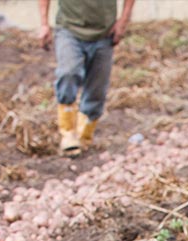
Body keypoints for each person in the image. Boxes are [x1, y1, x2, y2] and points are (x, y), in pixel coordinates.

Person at [38, 0, 135, 156]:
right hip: (69, 30)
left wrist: (123, 21)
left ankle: (84, 136)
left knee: (97, 89)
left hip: (104, 34)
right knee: (68, 73)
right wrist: (44, 24)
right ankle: (68, 133)